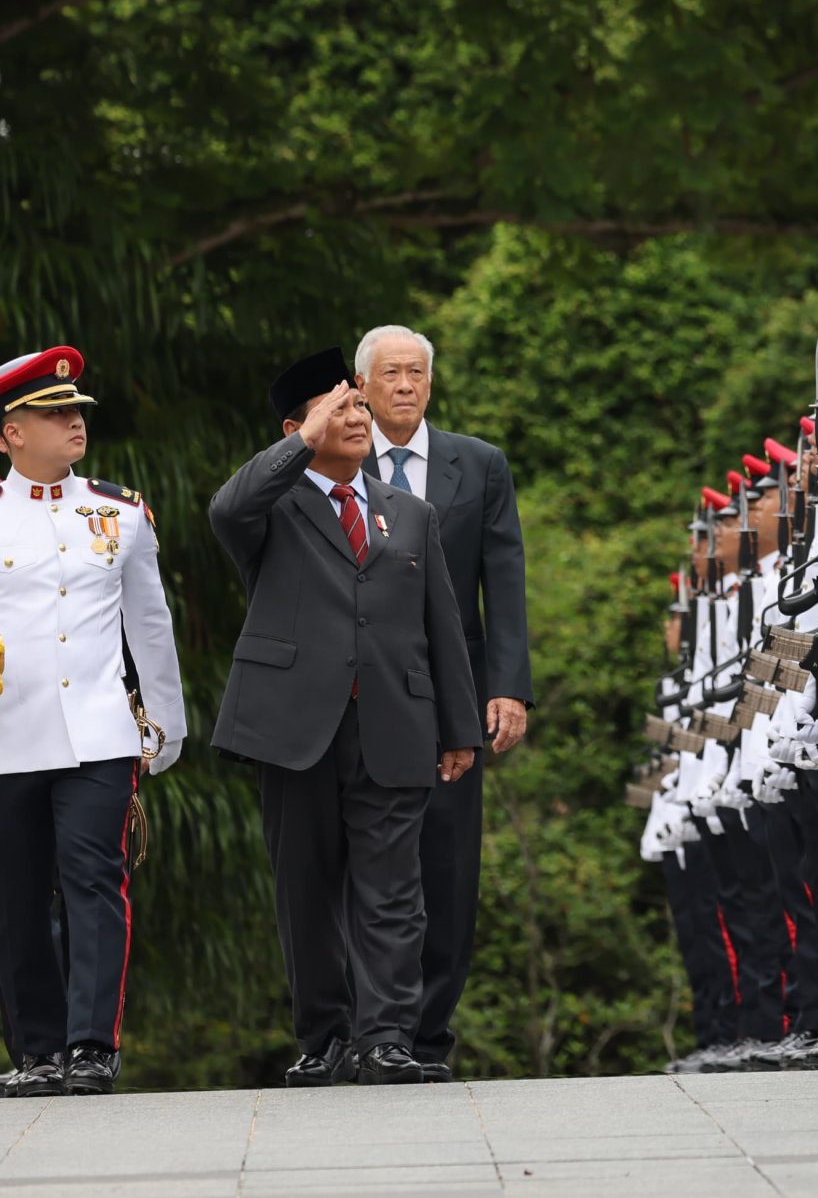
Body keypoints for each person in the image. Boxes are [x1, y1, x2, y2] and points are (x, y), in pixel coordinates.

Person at [208, 349, 481, 1086]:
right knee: (306, 887)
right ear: (299, 427)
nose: (359, 419)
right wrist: (302, 442)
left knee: (394, 891)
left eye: (360, 408)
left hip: (394, 723)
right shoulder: (275, 507)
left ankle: (387, 1036)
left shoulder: (409, 514)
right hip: (295, 730)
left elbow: (442, 627)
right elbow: (225, 509)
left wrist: (459, 728)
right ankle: (323, 1036)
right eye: (341, 410)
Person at [0, 346, 186, 1098]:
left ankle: (91, 1047)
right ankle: (37, 1051)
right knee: (16, 893)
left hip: (100, 729)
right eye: (53, 414)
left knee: (95, 881)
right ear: (6, 434)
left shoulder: (120, 510)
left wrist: (165, 722)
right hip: (5, 732)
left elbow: (151, 623)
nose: (74, 423)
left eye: (76, 411)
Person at [353, 323, 533, 1082]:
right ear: (361, 385)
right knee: (360, 863)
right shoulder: (334, 460)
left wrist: (508, 686)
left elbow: (505, 577)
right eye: (390, 373)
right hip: (360, 692)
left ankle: (426, 1035)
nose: (404, 385)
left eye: (416, 373)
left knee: (448, 867)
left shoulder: (477, 463)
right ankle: (364, 1030)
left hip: (450, 694)